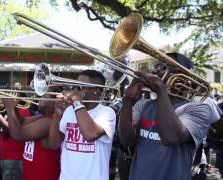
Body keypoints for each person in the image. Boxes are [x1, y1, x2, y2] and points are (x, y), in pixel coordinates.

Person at [119, 52, 213, 180]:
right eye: (157, 66)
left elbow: (171, 138)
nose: (155, 70)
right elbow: (126, 141)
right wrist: (128, 101)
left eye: (164, 67)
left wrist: (160, 89)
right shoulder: (145, 105)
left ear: (183, 76)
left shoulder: (198, 109)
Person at [49, 69, 116, 180]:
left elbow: (90, 135)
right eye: (75, 86)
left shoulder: (107, 113)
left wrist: (76, 100)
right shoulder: (69, 111)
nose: (76, 90)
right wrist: (57, 116)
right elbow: (53, 144)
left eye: (81, 87)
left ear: (97, 90)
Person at [1, 88, 61, 180]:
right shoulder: (40, 118)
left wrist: (9, 108)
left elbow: (18, 135)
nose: (40, 99)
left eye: (44, 96)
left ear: (55, 103)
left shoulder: (49, 122)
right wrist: (14, 108)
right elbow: (22, 122)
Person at [0, 103, 30, 180]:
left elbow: (11, 132)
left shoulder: (21, 110)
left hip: (15, 159)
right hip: (4, 157)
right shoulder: (5, 111)